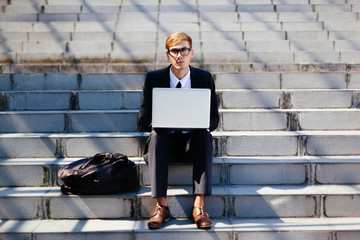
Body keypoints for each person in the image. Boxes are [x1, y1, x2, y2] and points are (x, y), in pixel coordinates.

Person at [137, 32, 219, 229]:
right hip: (164, 144)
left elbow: (214, 119)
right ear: (168, 55)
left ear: (192, 53)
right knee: (157, 135)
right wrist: (160, 122)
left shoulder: (204, 78)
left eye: (184, 50)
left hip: (193, 145)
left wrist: (201, 123)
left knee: (203, 134)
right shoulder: (154, 78)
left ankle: (199, 206)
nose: (179, 55)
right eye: (174, 51)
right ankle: (162, 206)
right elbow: (142, 120)